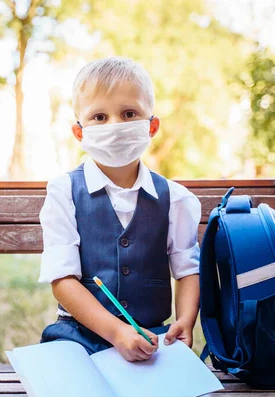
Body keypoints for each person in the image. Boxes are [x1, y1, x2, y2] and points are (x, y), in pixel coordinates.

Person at [38, 56, 201, 362]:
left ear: (151, 126)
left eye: (129, 113)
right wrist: (115, 331)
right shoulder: (64, 193)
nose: (115, 125)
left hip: (151, 337)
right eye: (99, 116)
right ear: (79, 132)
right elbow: (63, 281)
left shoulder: (175, 199)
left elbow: (188, 269)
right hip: (77, 337)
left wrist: (185, 319)